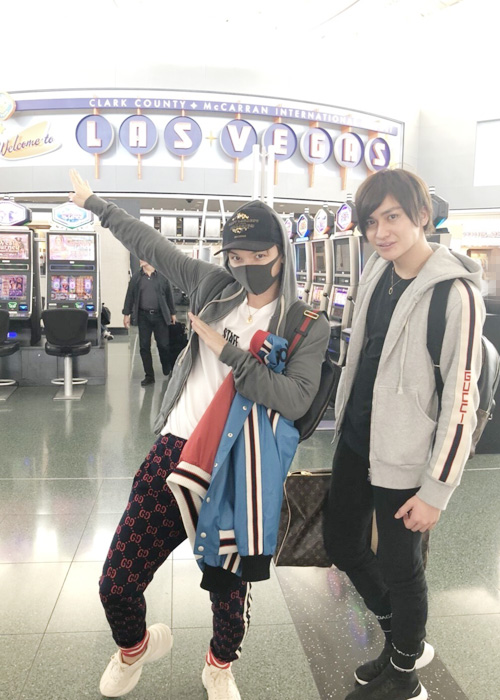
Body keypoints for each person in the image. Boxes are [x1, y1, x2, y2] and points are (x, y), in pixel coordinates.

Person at [68, 169, 329, 700]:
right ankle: (135, 647)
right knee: (117, 583)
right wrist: (95, 203)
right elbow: (152, 245)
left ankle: (219, 665)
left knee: (228, 593)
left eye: (258, 254)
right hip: (175, 449)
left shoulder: (304, 322)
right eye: (236, 255)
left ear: (280, 254)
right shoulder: (215, 286)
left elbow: (295, 398)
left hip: (239, 468)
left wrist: (227, 351)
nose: (246, 265)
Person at [323, 169, 485, 700]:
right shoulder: (377, 270)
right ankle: (402, 641)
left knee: (401, 567)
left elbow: (462, 400)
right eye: (371, 222)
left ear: (421, 215)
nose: (381, 231)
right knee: (342, 543)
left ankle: (405, 674)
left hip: (408, 456)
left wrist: (436, 490)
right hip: (357, 440)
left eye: (392, 216)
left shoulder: (454, 295)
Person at [122, 259, 177, 386]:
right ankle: (149, 376)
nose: (140, 260)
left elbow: (169, 295)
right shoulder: (136, 277)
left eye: (143, 258)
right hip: (143, 316)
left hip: (160, 316)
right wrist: (126, 314)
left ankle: (166, 365)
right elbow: (129, 296)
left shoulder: (162, 276)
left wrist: (172, 313)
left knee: (163, 345)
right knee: (144, 346)